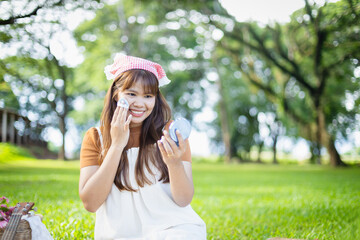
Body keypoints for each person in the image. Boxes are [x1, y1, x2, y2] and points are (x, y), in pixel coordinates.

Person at [79, 53, 206, 240]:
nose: (139, 103)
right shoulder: (96, 137)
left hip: (174, 229)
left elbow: (183, 199)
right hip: (120, 235)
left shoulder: (171, 133)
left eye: (148, 96)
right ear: (116, 94)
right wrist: (116, 146)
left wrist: (175, 163)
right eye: (131, 94)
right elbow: (90, 203)